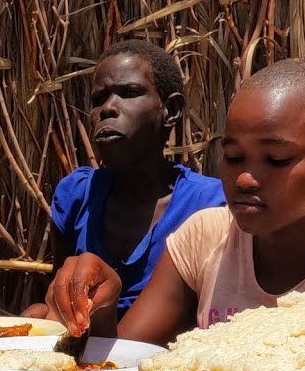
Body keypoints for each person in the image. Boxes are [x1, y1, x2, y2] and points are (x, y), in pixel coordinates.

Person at [43, 57, 305, 345]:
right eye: (234, 157)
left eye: (276, 160)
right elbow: (130, 359)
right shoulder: (205, 234)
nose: (243, 178)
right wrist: (102, 304)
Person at [27, 40, 225, 320]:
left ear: (172, 110)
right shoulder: (77, 196)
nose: (108, 109)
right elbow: (62, 302)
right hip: (84, 360)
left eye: (130, 93)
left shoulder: (209, 207)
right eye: (99, 100)